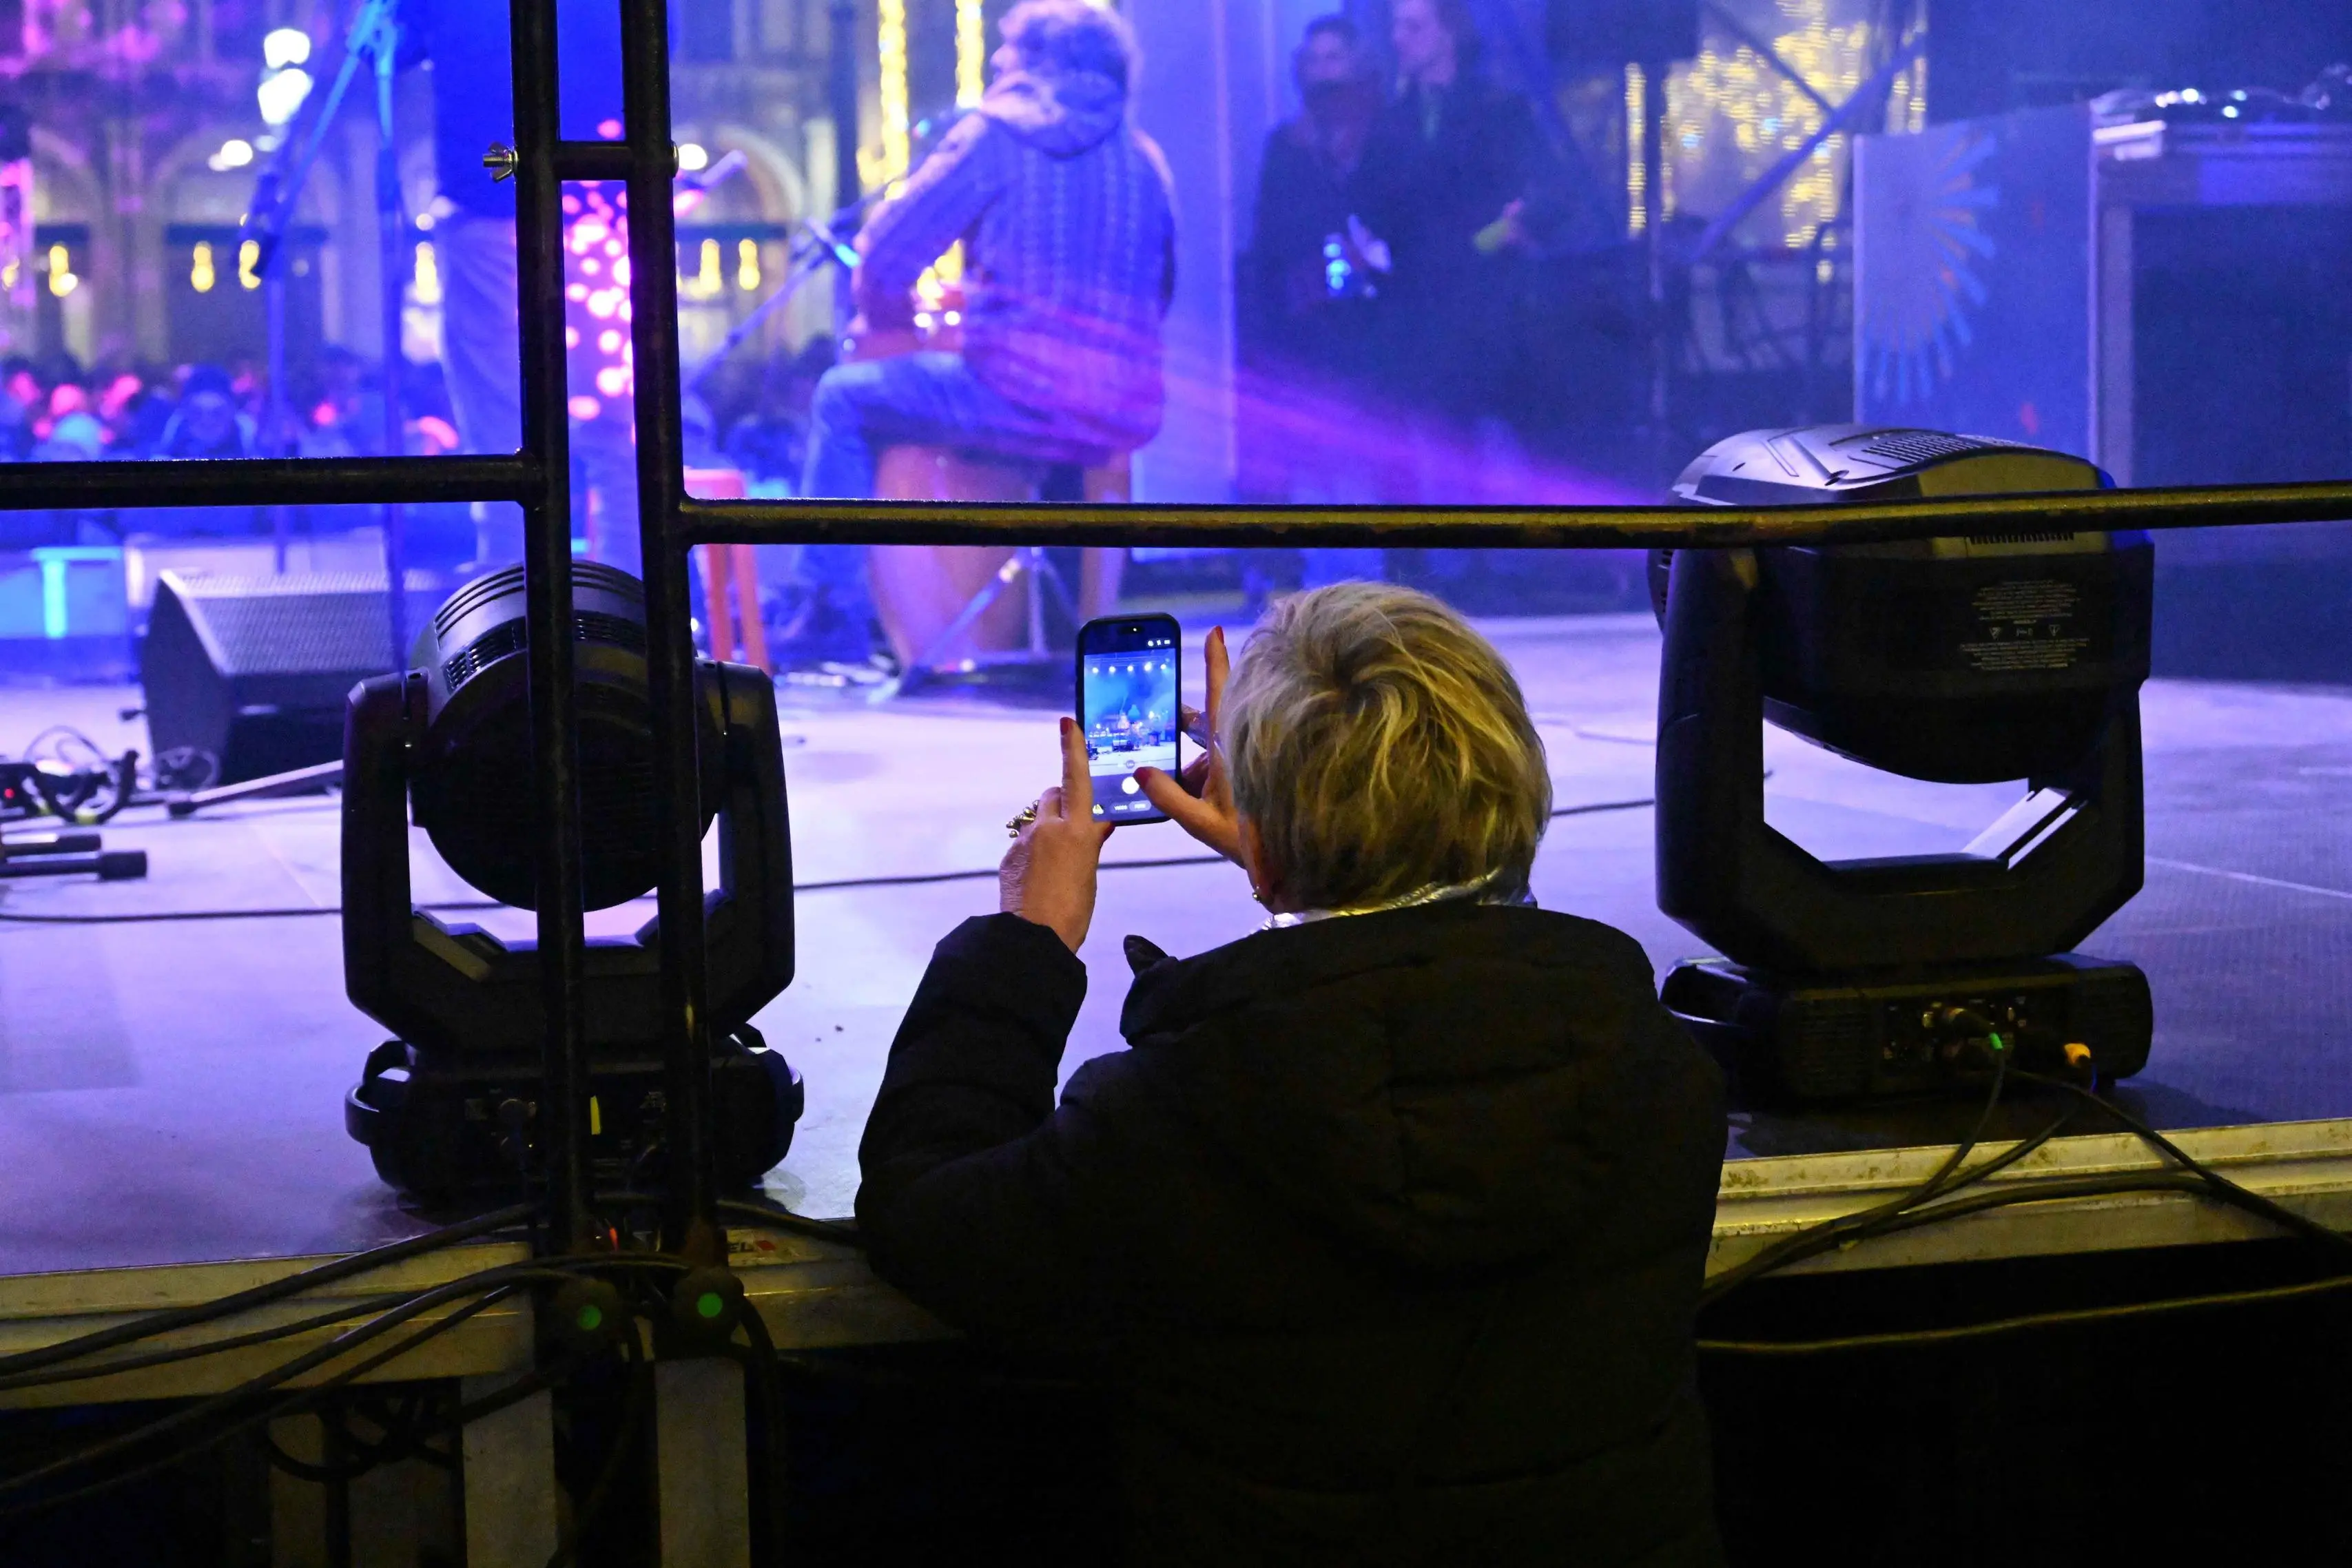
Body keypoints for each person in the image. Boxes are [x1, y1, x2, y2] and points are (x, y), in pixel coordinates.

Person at [858, 583, 1728, 1565]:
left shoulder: (1166, 1117)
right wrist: (1301, 868)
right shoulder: (1661, 1073)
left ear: (1258, 853)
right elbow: (1460, 989)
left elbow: (921, 1217)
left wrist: (1025, 943)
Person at [791, 0, 1175, 663]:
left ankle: (833, 619)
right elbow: (1160, 288)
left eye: (1008, 54)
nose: (997, 67)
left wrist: (894, 323)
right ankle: (1060, 628)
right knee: (1042, 415)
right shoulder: (1143, 156)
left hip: (1015, 397)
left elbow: (885, 256)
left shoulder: (997, 136)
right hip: (1123, 408)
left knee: (842, 396)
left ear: (1038, 62)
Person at [1352, 0, 1554, 501]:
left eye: (1413, 27)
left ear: (1448, 34)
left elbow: (1547, 192)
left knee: (1485, 437)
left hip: (1484, 309)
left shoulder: (1497, 110)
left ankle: (1496, 559)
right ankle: (1417, 557)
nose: (1400, 37)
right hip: (1413, 308)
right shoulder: (1392, 124)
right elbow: (1371, 207)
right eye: (1397, 27)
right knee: (1410, 443)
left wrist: (1496, 235)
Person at [1237, 14, 1391, 592]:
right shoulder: (1288, 145)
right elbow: (1270, 237)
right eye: (1316, 60)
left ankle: (1387, 568)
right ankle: (1302, 570)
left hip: (1378, 325)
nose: (1326, 73)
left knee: (1377, 448)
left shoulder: (1385, 138)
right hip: (1308, 327)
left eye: (1336, 59)